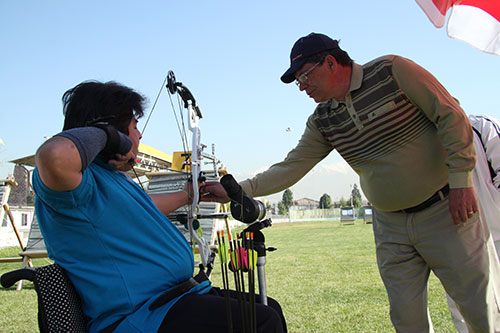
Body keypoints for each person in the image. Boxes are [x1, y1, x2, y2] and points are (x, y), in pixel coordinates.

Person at [201, 33, 500, 331]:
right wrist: (237, 190)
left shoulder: (393, 71)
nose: (302, 87)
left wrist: (461, 182)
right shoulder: (323, 120)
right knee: (407, 319)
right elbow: (291, 167)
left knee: (479, 309)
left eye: (305, 76)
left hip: (446, 209)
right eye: (298, 82)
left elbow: (451, 115)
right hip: (390, 226)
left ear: (330, 62)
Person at [33, 81, 287, 332]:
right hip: (139, 318)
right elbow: (54, 156)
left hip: (170, 301)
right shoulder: (76, 184)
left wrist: (188, 195)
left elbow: (142, 209)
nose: (140, 134)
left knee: (269, 308)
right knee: (262, 321)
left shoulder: (112, 179)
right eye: (133, 126)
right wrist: (109, 135)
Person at [446, 114, 500, 332]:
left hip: (497, 235)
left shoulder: (480, 126)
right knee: (464, 313)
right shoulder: (419, 143)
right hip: (458, 243)